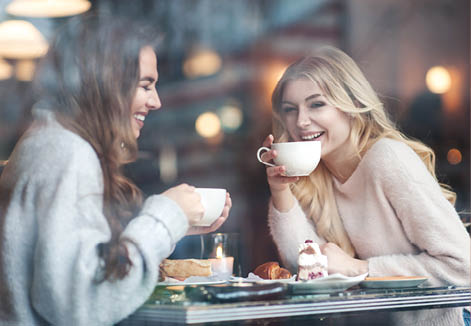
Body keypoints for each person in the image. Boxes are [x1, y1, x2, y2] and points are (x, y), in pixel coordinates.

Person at [0, 15, 231, 326]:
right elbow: (81, 303)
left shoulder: (49, 142)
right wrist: (165, 217)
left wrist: (176, 226)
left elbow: (72, 265)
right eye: (145, 85)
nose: (157, 101)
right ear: (107, 82)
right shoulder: (69, 153)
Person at [259, 46, 470, 326]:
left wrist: (360, 269)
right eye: (290, 109)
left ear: (351, 104)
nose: (301, 121)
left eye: (317, 104)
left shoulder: (387, 158)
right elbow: (309, 268)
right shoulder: (318, 175)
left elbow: (463, 267)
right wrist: (280, 190)